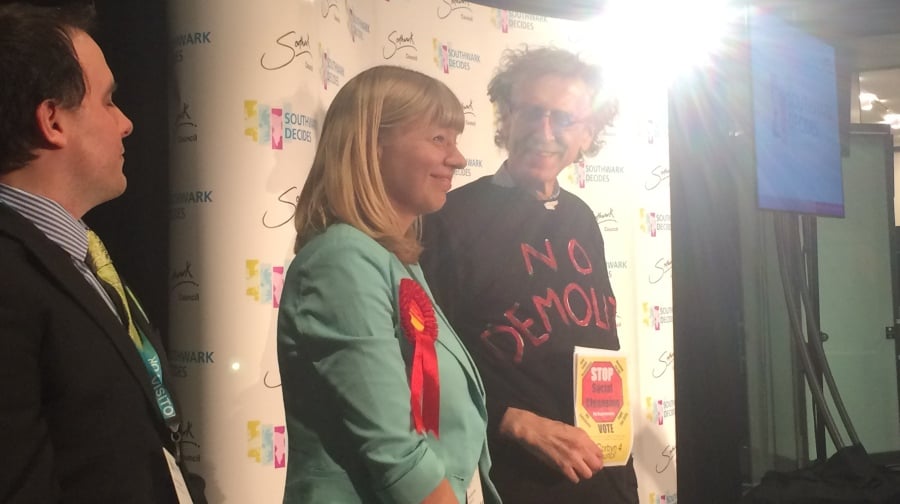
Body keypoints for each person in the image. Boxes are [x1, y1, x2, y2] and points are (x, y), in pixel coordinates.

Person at [0, 3, 201, 503]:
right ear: (53, 120)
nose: (127, 123)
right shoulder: (8, 274)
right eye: (109, 101)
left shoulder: (78, 255)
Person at [421, 47, 639, 503]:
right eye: (531, 112)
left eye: (563, 118)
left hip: (608, 477)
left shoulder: (582, 217)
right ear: (505, 117)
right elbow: (421, 367)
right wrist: (515, 422)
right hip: (520, 481)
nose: (544, 131)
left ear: (587, 133)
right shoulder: (448, 219)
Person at [276, 65, 501, 504]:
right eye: (439, 139)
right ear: (372, 144)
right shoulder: (341, 260)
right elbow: (397, 457)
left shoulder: (390, 260)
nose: (457, 158)